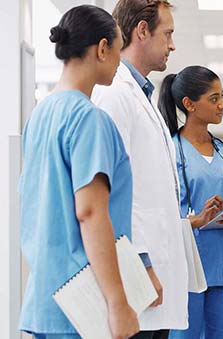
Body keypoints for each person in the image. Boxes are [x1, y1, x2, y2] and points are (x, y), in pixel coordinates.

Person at [19, 5, 139, 339]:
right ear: (102, 49)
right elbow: (89, 213)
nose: (119, 62)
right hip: (83, 302)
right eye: (117, 50)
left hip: (45, 296)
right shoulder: (89, 119)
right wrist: (118, 303)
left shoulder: (40, 116)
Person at [92, 1, 187, 338]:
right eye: (168, 34)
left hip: (151, 279)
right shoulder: (114, 95)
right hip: (135, 277)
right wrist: (141, 265)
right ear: (142, 31)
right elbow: (112, 191)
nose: (173, 45)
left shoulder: (141, 95)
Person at [157, 65, 223, 339]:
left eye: (222, 96)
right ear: (189, 104)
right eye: (214, 98)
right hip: (188, 268)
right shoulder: (169, 151)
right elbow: (160, 215)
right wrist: (196, 220)